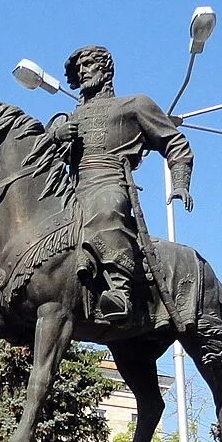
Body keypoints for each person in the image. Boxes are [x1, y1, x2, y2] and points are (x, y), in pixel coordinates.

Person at [48, 45, 195, 328]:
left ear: (106, 69)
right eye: (79, 68)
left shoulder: (134, 104)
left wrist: (180, 182)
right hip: (73, 187)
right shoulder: (71, 116)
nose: (83, 70)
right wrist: (56, 134)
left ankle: (120, 290)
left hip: (110, 181)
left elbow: (175, 142)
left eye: (89, 64)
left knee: (107, 205)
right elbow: (40, 152)